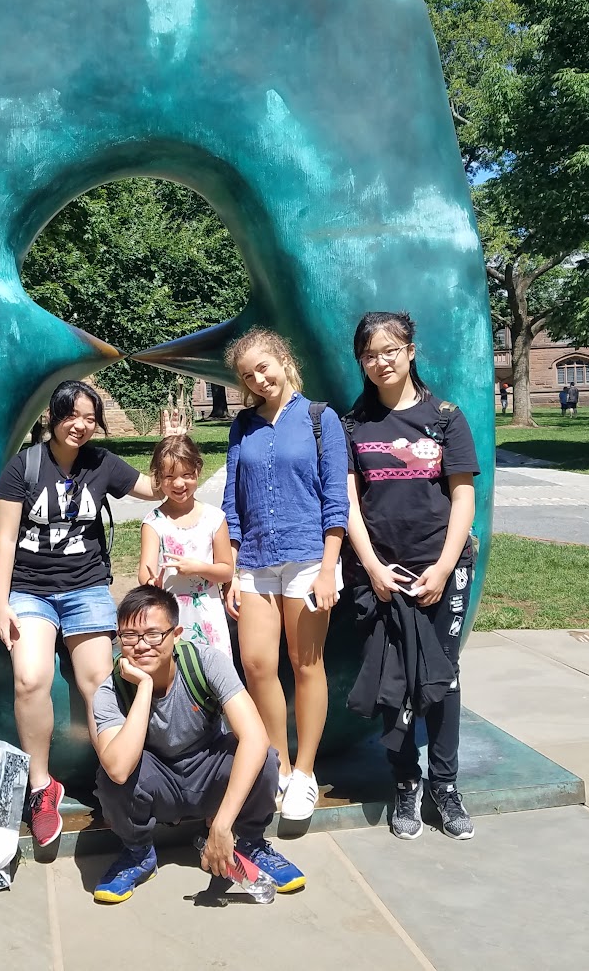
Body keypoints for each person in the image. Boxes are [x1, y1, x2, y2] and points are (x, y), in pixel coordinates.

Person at [0, 380, 159, 847]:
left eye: (90, 417)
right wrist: (1, 603)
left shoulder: (101, 463)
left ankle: (116, 774)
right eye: (72, 415)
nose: (81, 425)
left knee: (98, 680)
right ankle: (41, 788)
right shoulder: (24, 467)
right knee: (29, 677)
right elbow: (5, 539)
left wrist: (173, 453)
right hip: (30, 590)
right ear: (53, 416)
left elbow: (153, 486)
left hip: (85, 587)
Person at [342, 311, 480, 842]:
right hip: (380, 574)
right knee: (392, 679)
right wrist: (373, 568)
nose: (380, 362)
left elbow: (463, 495)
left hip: (441, 568)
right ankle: (406, 783)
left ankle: (445, 786)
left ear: (410, 350)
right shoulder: (352, 425)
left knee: (443, 677)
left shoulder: (445, 417)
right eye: (370, 354)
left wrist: (444, 567)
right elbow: (349, 503)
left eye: (389, 350)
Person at [90, 586, 305, 903]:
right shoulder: (111, 690)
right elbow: (119, 769)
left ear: (175, 634)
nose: (140, 646)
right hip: (158, 780)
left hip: (208, 771)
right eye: (129, 636)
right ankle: (138, 855)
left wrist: (222, 825)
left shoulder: (206, 663)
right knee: (110, 776)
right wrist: (146, 687)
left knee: (265, 758)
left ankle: (251, 843)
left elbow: (256, 737)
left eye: (153, 634)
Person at [221, 328, 349, 821]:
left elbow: (335, 499)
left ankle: (305, 773)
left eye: (263, 367)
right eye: (248, 375)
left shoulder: (321, 419)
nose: (258, 379)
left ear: (282, 358)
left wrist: (328, 566)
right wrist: (231, 567)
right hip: (254, 561)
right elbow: (233, 501)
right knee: (256, 664)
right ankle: (276, 762)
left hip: (307, 560)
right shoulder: (243, 427)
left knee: (305, 664)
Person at [138, 434, 235, 657]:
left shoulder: (214, 518)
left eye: (186, 475)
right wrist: (151, 581)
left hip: (208, 611)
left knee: (214, 670)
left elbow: (226, 570)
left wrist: (197, 568)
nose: (179, 483)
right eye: (169, 477)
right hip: (171, 613)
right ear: (158, 478)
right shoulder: (154, 523)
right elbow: (146, 569)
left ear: (198, 472)